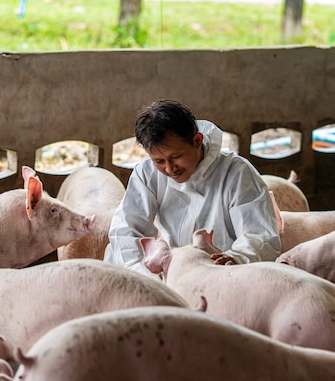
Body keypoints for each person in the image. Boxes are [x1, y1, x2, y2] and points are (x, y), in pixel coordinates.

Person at [103, 99, 281, 275]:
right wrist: (145, 275)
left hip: (226, 273)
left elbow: (259, 234)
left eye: (176, 156)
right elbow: (127, 230)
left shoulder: (237, 173)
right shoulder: (147, 173)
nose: (169, 168)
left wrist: (237, 257)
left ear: (197, 141)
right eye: (159, 161)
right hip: (176, 272)